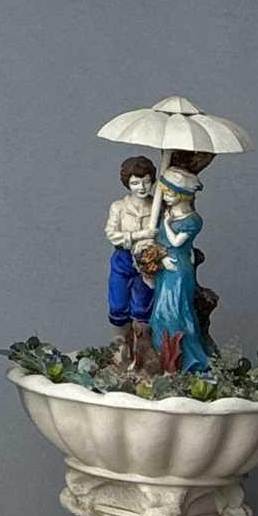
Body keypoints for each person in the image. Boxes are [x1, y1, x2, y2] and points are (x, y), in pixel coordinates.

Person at [149, 160, 217, 375]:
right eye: (165, 192)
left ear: (183, 195)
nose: (166, 197)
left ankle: (190, 360)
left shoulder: (192, 220)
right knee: (158, 314)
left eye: (170, 193)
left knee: (174, 313)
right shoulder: (166, 213)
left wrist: (167, 225)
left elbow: (177, 243)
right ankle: (164, 360)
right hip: (165, 267)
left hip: (178, 269)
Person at [105, 155, 160, 362]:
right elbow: (112, 234)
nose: (141, 187)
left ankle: (141, 350)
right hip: (124, 259)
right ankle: (120, 346)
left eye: (146, 181)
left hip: (147, 261)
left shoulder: (157, 207)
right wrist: (137, 235)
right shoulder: (119, 207)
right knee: (118, 304)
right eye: (135, 182)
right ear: (127, 183)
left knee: (142, 306)